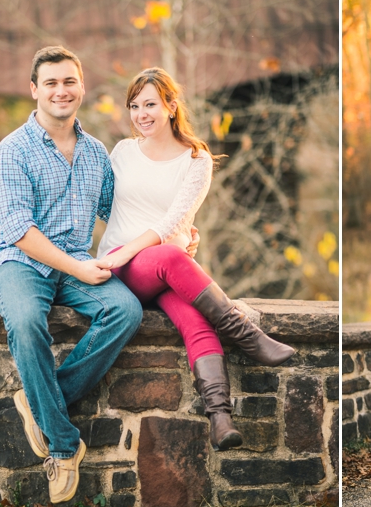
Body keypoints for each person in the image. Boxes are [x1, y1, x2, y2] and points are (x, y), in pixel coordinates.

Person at [96, 67, 294, 451]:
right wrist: (143, 248)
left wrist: (182, 236)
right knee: (170, 254)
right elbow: (106, 208)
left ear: (171, 106)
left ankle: (220, 417)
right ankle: (244, 333)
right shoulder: (121, 151)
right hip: (123, 267)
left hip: (165, 267)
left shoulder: (196, 159)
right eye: (134, 106)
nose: (141, 114)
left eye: (150, 104)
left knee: (194, 320)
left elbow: (173, 220)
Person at [0, 46, 143, 504]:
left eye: (69, 81)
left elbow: (120, 213)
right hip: (20, 263)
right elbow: (17, 228)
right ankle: (60, 444)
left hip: (76, 262)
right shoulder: (12, 150)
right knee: (27, 323)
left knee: (125, 310)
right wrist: (76, 265)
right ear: (34, 90)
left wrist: (172, 235)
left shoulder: (96, 153)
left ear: (81, 87)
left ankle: (38, 403)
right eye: (51, 82)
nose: (61, 90)